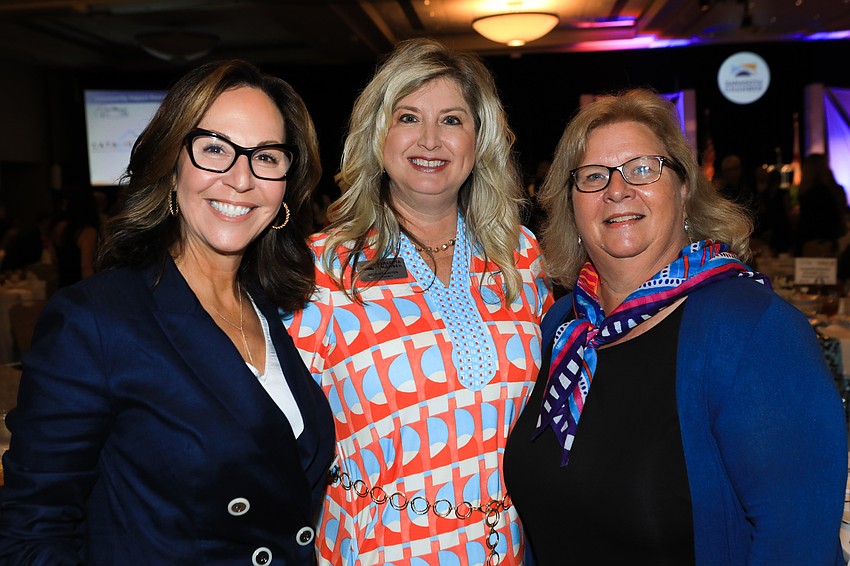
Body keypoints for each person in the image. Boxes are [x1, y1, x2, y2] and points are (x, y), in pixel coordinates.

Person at [0, 59, 335, 564]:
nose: (241, 179)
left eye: (266, 157)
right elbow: (31, 531)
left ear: (287, 182)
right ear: (171, 166)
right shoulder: (96, 320)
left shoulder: (277, 310)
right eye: (215, 150)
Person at [503, 88, 847, 565]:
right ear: (571, 206)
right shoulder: (561, 327)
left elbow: (797, 543)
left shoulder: (753, 331)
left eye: (643, 169)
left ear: (684, 191)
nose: (617, 189)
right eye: (593, 176)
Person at [282, 38, 552, 566]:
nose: (430, 140)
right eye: (408, 116)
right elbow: (278, 440)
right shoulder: (322, 267)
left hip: (507, 548)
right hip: (374, 549)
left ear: (479, 140)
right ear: (378, 135)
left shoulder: (520, 254)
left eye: (452, 120)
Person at [795, 152, 847, 257]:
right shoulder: (833, 190)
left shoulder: (806, 192)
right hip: (829, 240)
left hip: (808, 240)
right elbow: (837, 216)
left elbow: (805, 220)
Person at [49, 189, 102, 288]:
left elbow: (54, 259)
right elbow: (86, 267)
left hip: (62, 286)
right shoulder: (88, 232)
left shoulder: (59, 227)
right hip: (79, 289)